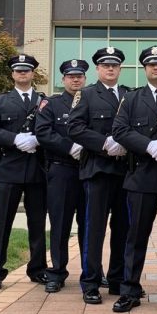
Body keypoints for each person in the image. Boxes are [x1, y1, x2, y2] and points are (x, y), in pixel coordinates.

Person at [110, 45, 157, 312]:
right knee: (135, 236)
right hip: (141, 176)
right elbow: (119, 129)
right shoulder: (132, 98)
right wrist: (149, 146)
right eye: (151, 64)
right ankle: (130, 289)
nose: (156, 67)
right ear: (145, 69)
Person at [0, 53, 48, 290]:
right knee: (2, 223)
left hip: (38, 171)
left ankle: (38, 269)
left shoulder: (43, 101)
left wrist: (38, 139)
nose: (22, 74)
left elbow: (53, 128)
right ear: (12, 74)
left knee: (37, 223)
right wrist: (14, 138)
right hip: (8, 170)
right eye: (18, 70)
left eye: (26, 70)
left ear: (32, 74)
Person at [67, 46, 130, 304]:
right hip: (99, 170)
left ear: (120, 68)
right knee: (95, 229)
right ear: (98, 69)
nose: (110, 68)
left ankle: (117, 280)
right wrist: (104, 142)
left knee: (123, 229)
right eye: (105, 65)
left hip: (126, 172)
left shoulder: (129, 94)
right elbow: (75, 127)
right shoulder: (87, 94)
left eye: (114, 64)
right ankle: (91, 282)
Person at [34, 58, 90, 293]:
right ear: (63, 79)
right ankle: (57, 272)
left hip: (89, 170)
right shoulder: (52, 104)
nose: (75, 79)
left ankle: (91, 272)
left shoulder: (93, 101)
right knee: (60, 223)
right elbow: (42, 133)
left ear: (85, 79)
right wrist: (69, 147)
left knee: (89, 224)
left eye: (79, 76)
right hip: (62, 170)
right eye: (71, 76)